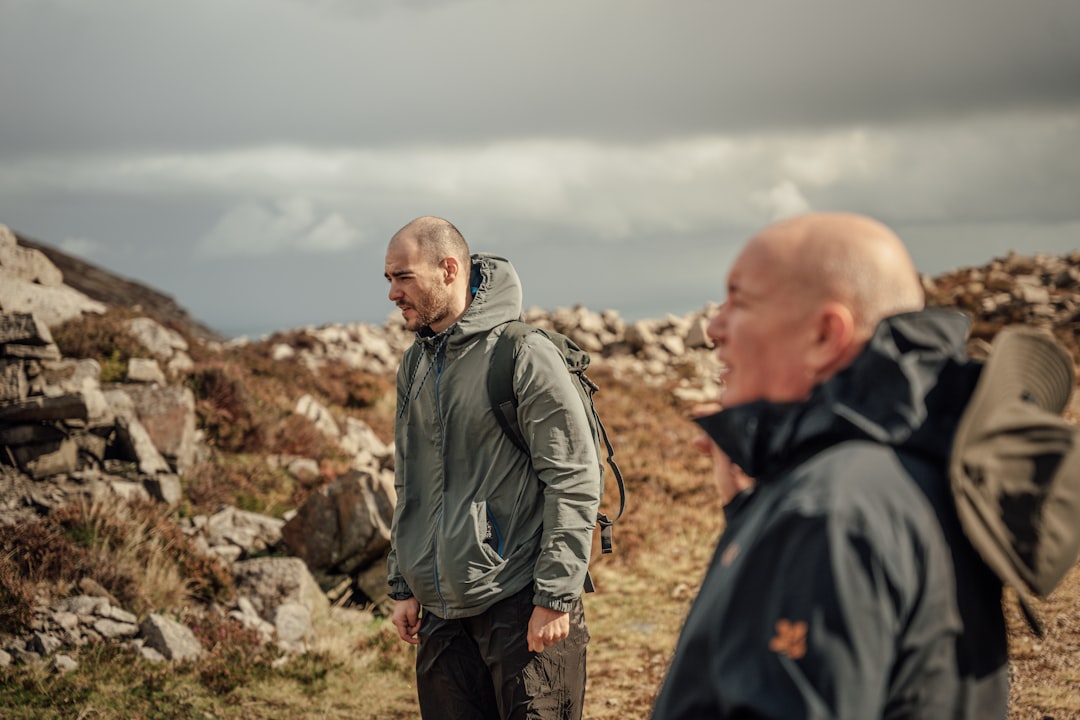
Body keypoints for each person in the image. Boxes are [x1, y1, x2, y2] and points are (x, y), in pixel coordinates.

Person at [651, 212, 1009, 719]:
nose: (712, 328)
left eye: (739, 302)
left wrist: (788, 524)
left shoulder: (830, 511)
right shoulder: (912, 471)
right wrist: (752, 516)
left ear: (824, 336)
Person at [383, 216, 601, 720]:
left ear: (449, 269)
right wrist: (403, 585)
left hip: (521, 600)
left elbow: (573, 476)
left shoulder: (521, 352)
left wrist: (555, 594)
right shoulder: (414, 364)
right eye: (388, 279)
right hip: (439, 612)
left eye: (403, 277)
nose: (393, 293)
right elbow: (409, 481)